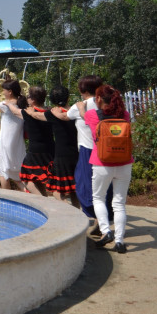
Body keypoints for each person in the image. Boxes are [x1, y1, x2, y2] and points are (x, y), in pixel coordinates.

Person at [77, 84, 134, 254]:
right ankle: (119, 241)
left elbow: (83, 116)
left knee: (98, 198)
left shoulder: (92, 115)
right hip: (124, 163)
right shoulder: (125, 115)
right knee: (119, 203)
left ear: (99, 99)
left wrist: (81, 107)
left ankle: (106, 231)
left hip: (102, 163)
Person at [57, 75, 113, 232]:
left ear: (84, 90)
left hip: (88, 150)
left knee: (85, 185)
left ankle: (97, 218)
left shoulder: (82, 105)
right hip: (107, 149)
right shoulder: (106, 103)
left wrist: (53, 112)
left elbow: (65, 116)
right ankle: (103, 219)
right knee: (105, 185)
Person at [22, 85, 80, 207]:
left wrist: (31, 112)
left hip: (61, 156)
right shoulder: (76, 112)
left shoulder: (53, 114)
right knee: (73, 189)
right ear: (68, 98)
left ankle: (69, 211)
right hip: (76, 154)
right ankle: (78, 212)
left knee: (57, 190)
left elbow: (37, 116)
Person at [7, 86, 54, 196]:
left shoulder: (28, 113)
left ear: (33, 100)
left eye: (28, 96)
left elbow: (15, 112)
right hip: (50, 149)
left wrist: (8, 104)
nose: (27, 98)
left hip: (35, 151)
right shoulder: (50, 112)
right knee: (39, 178)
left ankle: (42, 200)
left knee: (26, 177)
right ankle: (43, 197)